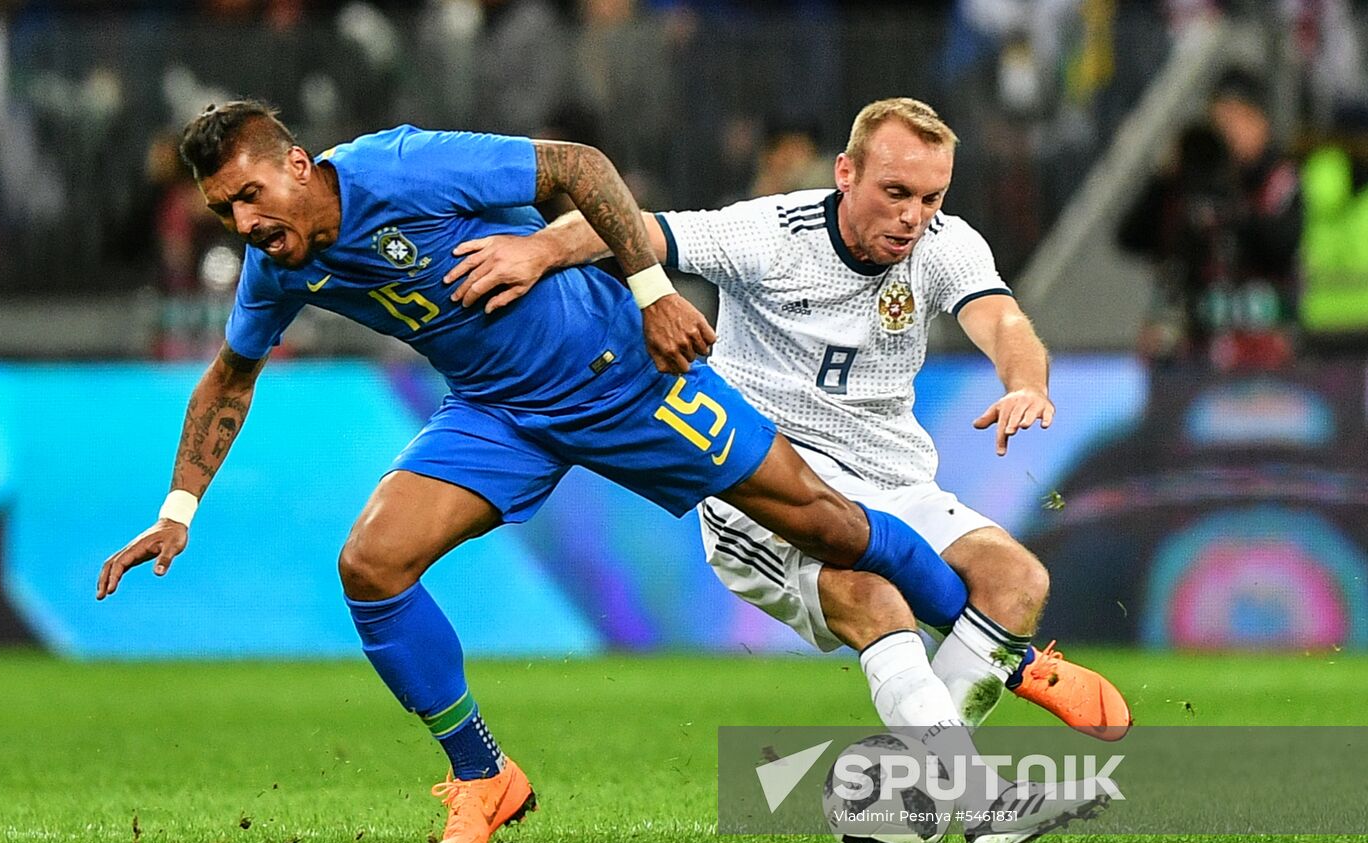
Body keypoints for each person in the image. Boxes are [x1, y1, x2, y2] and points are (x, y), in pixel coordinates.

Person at [94, 100, 1102, 843]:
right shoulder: (280, 268)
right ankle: (483, 774)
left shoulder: (401, 167)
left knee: (836, 531)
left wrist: (652, 294)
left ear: (297, 166)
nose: (242, 222)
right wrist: (177, 509)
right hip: (496, 414)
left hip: (624, 373)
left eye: (251, 197)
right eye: (224, 209)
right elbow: (229, 377)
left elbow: (575, 167)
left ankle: (1015, 661)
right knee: (371, 561)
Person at [442, 96, 1132, 744]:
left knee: (1019, 583)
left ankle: (908, 795)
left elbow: (1003, 319)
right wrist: (538, 249)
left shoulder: (945, 245)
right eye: (896, 194)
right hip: (770, 486)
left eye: (931, 198)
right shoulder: (770, 234)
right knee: (875, 597)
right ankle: (974, 775)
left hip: (891, 483)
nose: (913, 217)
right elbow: (629, 227)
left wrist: (1026, 383)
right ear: (846, 172)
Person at [1117, 70, 1302, 370]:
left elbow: (1283, 243)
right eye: (1220, 118)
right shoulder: (1188, 180)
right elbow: (1131, 238)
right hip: (1188, 347)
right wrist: (1163, 180)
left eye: (1237, 118)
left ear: (1261, 122)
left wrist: (1231, 210)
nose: (1227, 130)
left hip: (1259, 352)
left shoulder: (1276, 178)